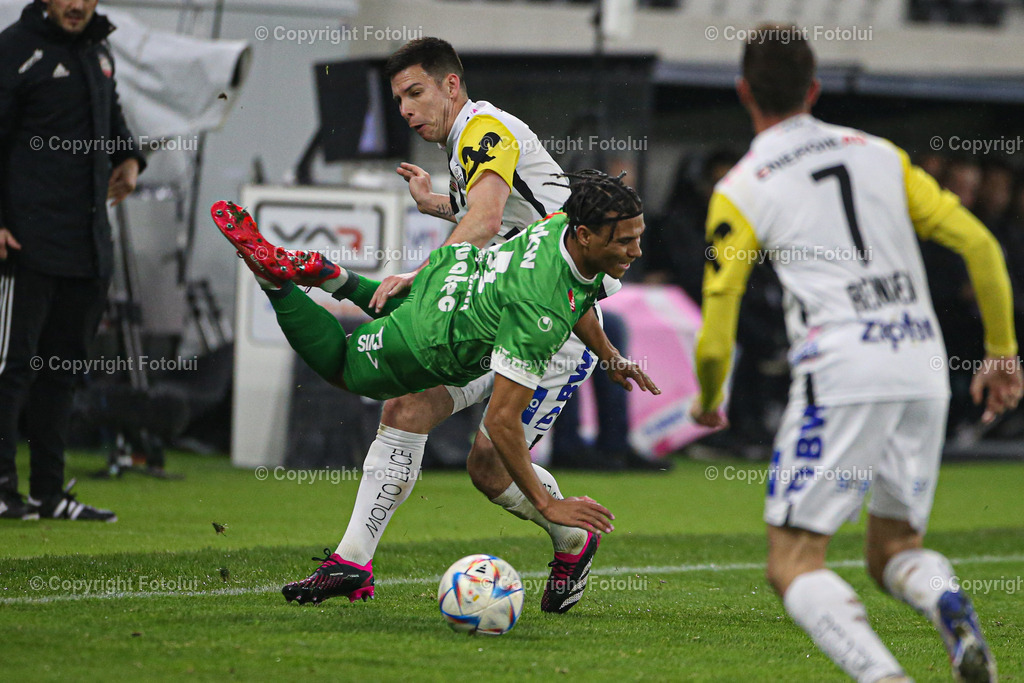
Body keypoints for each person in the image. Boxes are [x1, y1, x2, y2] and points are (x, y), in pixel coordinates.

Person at [264, 38, 653, 614]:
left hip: (555, 327)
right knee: (406, 408)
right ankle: (351, 561)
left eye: (415, 93)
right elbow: (503, 212)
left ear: (451, 85)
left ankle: (572, 536)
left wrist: (422, 273)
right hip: (506, 310)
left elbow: (489, 218)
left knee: (489, 464)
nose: (406, 110)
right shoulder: (468, 144)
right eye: (398, 100)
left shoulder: (482, 130)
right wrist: (439, 203)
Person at [691, 24, 1022, 682]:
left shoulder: (743, 185)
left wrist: (708, 397)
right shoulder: (881, 155)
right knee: (892, 548)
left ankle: (882, 674)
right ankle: (948, 606)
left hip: (841, 370)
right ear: (814, 89)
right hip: (921, 364)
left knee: (792, 561)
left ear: (743, 92)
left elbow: (719, 314)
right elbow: (982, 246)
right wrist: (1002, 353)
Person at [214, 169, 655, 607]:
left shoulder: (559, 224)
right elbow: (507, 411)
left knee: (488, 467)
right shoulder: (543, 303)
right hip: (457, 331)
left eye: (637, 238)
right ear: (583, 233)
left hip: (468, 294)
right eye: (625, 241)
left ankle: (331, 279)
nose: (636, 251)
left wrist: (608, 354)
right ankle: (276, 282)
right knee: (361, 379)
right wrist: (546, 502)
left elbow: (570, 290)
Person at [0, 0, 144, 521]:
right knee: (11, 370)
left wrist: (130, 159)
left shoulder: (97, 49)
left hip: (87, 247)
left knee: (60, 373)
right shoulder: (13, 49)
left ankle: (48, 493)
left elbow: (112, 116)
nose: (78, 5)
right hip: (24, 245)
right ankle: (2, 490)